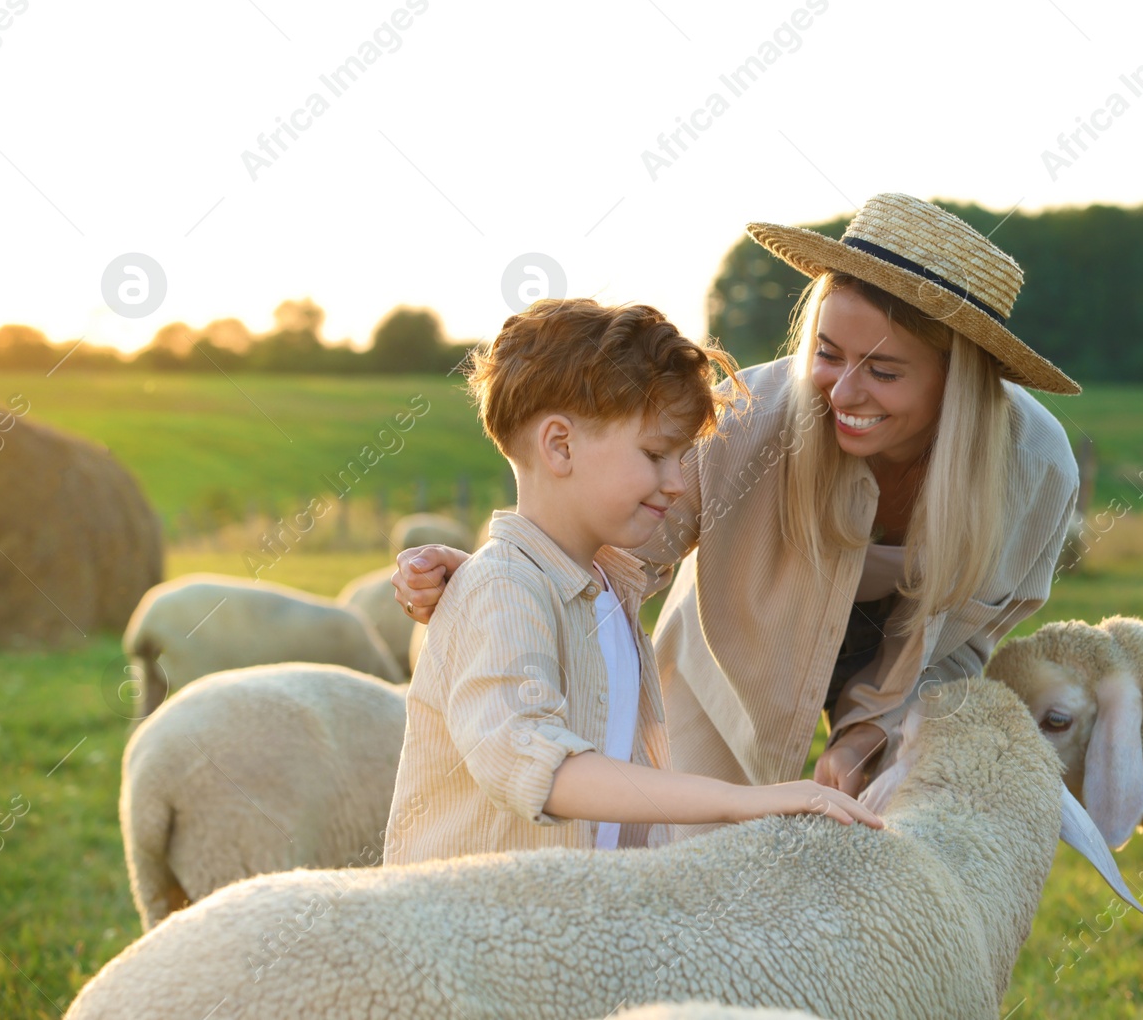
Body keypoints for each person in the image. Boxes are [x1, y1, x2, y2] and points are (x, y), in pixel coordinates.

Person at [394, 193, 1083, 843]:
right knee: (696, 857)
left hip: (917, 664)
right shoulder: (750, 419)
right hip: (737, 654)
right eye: (828, 353)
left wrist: (865, 733)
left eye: (886, 373)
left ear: (959, 381)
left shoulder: (1035, 470)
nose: (844, 391)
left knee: (890, 858)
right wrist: (503, 577)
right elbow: (624, 541)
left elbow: (963, 631)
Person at [382, 298, 883, 865]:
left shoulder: (611, 588)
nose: (676, 482)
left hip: (578, 923)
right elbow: (532, 766)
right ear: (559, 445)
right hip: (472, 936)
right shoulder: (501, 589)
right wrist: (738, 802)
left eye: (681, 457)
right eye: (655, 454)